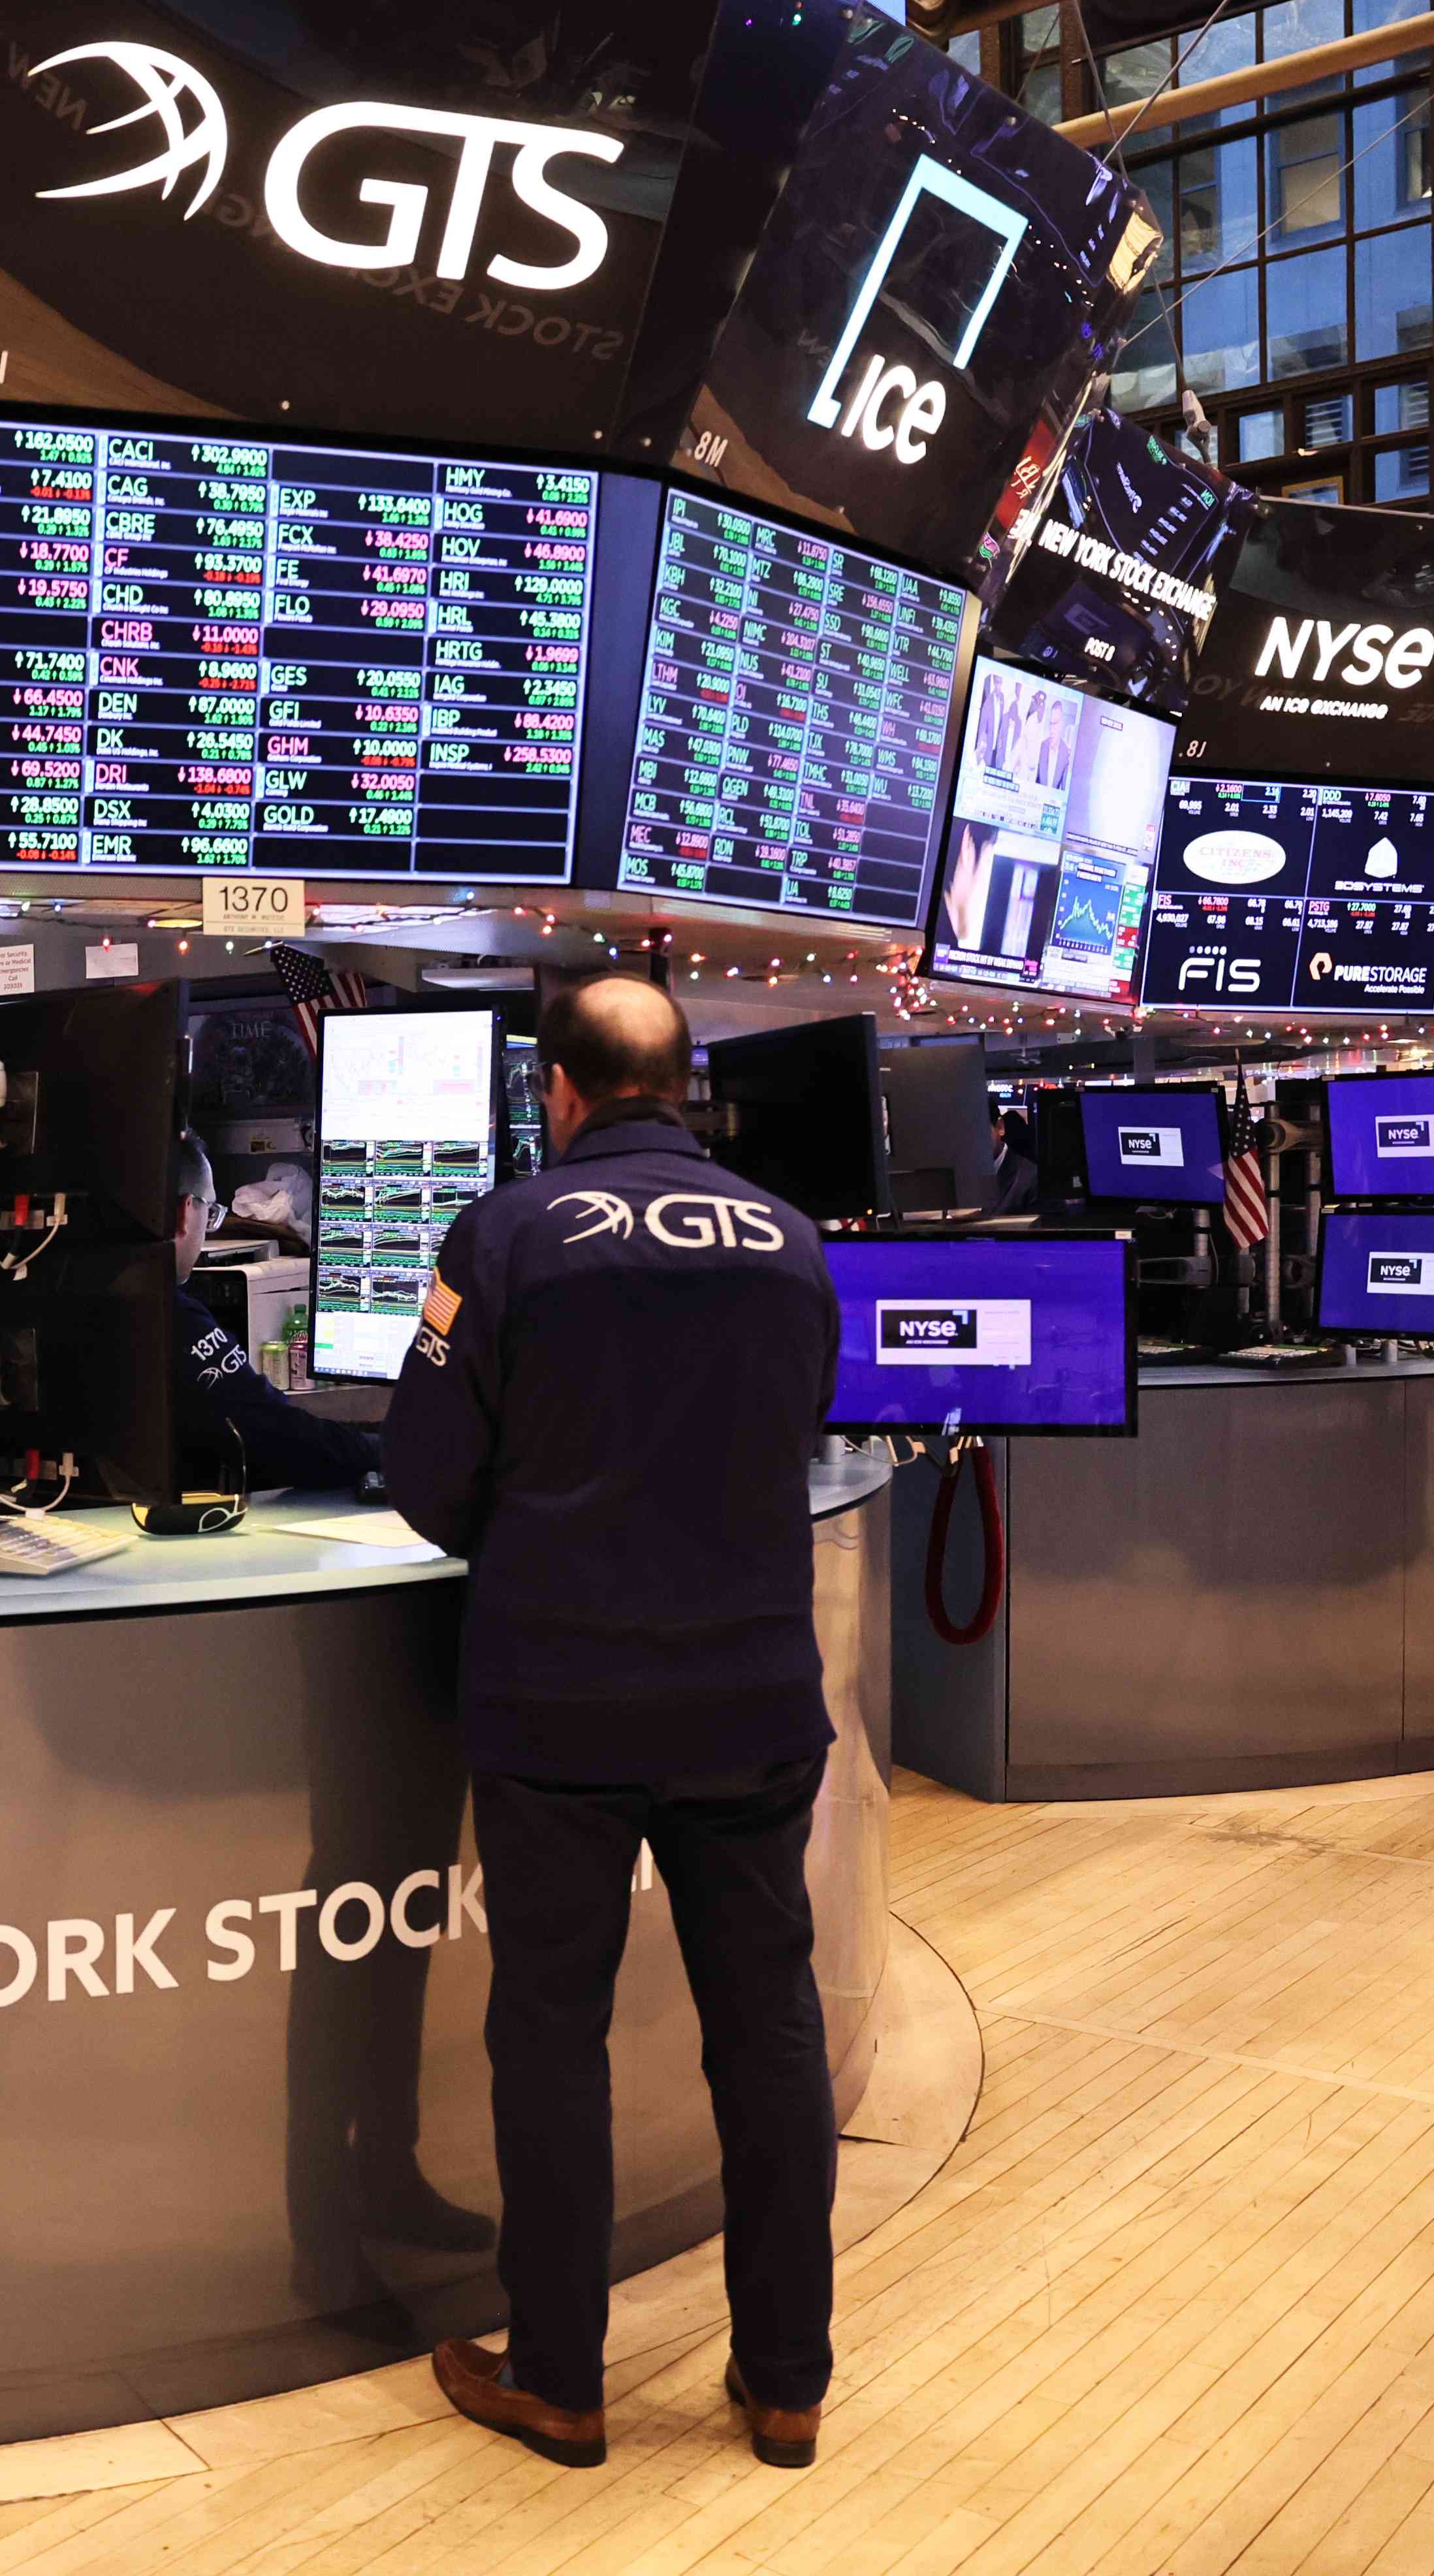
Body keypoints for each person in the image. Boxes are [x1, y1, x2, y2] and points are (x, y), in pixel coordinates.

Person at [381, 975, 845, 2475]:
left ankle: (562, 2378)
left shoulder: (506, 1234)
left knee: (552, 2037)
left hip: (560, 1696)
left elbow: (427, 1481)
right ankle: (784, 2383)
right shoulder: (793, 1240)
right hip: (753, 1690)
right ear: (684, 1083)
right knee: (769, 2033)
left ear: (559, 1090)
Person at [173, 1133, 378, 1494]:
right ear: (185, 1212)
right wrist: (393, 1451)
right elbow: (278, 1437)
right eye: (211, 1214)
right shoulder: (174, 1318)